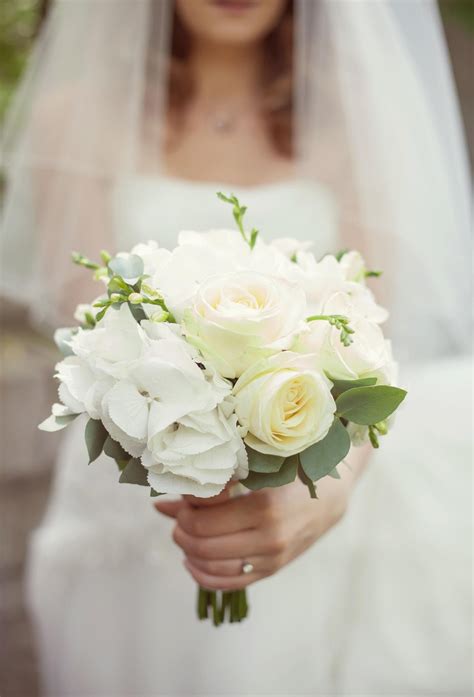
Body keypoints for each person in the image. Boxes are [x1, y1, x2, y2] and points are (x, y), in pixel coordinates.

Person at [1, 1, 471, 695]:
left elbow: (373, 341)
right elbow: (91, 332)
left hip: (312, 453)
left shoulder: (354, 120)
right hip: (135, 471)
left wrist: (324, 494)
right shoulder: (76, 117)